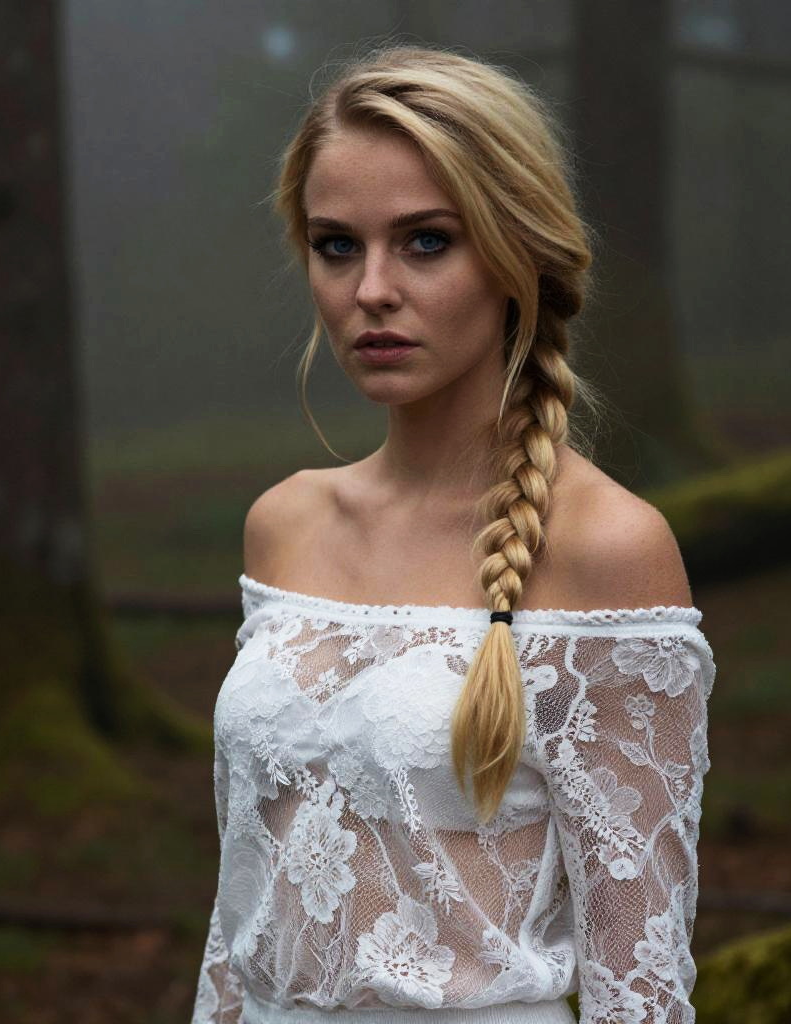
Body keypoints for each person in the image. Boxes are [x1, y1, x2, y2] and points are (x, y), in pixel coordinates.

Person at [191, 41, 716, 1024]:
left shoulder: (608, 549)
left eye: (425, 241)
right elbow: (241, 917)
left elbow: (636, 984)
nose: (370, 289)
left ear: (516, 250)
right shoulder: (286, 525)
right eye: (336, 244)